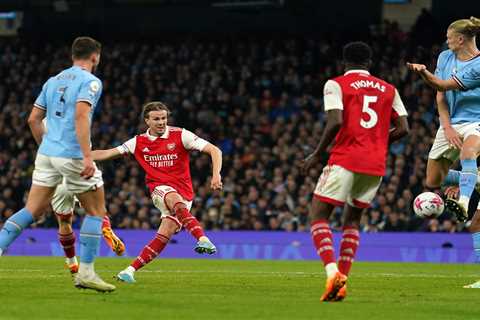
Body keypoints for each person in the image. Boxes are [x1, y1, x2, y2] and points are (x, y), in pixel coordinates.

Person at [0, 36, 116, 292]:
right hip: (72, 153)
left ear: (73, 55)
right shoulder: (91, 81)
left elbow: (33, 119)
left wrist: (46, 147)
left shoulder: (53, 81)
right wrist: (87, 156)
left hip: (47, 153)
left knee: (31, 210)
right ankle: (86, 273)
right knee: (96, 211)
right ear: (95, 56)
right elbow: (82, 114)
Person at [302, 41, 409, 302]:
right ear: (369, 63)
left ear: (344, 61)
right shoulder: (389, 89)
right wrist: (377, 143)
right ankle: (343, 280)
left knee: (318, 214)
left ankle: (332, 273)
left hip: (345, 158)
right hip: (375, 164)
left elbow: (336, 121)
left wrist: (317, 154)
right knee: (352, 221)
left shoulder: (335, 84)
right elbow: (404, 128)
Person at [90, 101, 223, 283]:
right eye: (156, 119)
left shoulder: (181, 135)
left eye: (164, 118)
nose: (161, 122)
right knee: (172, 198)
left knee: (164, 235)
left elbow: (214, 150)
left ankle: (129, 271)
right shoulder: (138, 142)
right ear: (147, 121)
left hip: (185, 193)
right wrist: (81, 156)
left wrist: (216, 175)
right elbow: (108, 153)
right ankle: (202, 238)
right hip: (159, 189)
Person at [407, 16, 480, 289]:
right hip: (451, 123)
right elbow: (440, 96)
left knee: (468, 153)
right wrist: (446, 126)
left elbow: (442, 85)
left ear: (461, 39)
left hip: (477, 121)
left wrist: (423, 73)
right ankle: (471, 182)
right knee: (434, 180)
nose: (446, 41)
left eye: (450, 37)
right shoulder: (445, 56)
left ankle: (464, 197)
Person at [52, 183, 125, 274]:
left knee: (64, 222)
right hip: (81, 177)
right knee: (95, 208)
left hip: (60, 182)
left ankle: (72, 262)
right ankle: (105, 226)